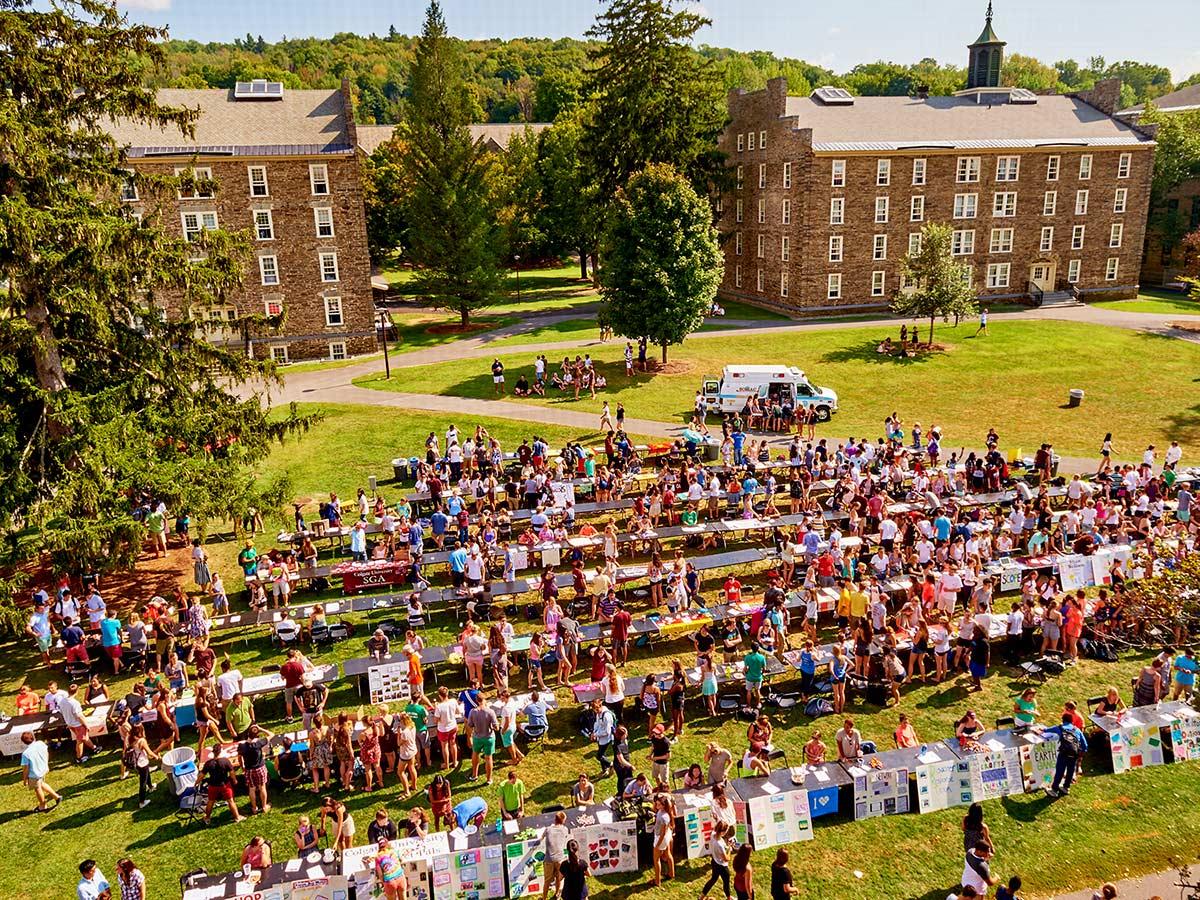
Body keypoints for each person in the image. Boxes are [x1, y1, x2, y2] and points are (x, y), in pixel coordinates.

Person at [1044, 712, 1088, 798]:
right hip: (1074, 754)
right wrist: (1080, 756)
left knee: (1060, 771)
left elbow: (1046, 730)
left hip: (1064, 753)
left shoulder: (1060, 728)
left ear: (1063, 720)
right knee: (1070, 771)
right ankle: (1066, 787)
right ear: (1072, 721)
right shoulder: (1077, 730)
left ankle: (1054, 790)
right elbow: (1085, 745)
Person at [238, 724, 275, 814]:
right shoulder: (258, 744)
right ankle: (264, 806)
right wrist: (261, 728)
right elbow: (272, 734)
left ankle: (254, 808)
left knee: (251, 789)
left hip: (249, 769)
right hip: (259, 768)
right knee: (262, 787)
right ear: (257, 735)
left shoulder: (242, 746)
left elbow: (239, 757)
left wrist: (242, 767)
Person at [21, 731, 61, 812]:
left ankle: (42, 806)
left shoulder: (26, 754)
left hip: (34, 774)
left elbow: (26, 768)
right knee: (42, 783)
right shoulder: (41, 743)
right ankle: (56, 797)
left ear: (23, 742)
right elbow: (46, 753)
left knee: (38, 788)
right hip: (43, 769)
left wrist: (25, 779)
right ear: (33, 737)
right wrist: (47, 764)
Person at [202, 751, 243, 824]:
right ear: (220, 752)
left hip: (213, 785)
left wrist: (196, 783)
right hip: (225, 785)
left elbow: (201, 775)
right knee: (230, 801)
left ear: (213, 752)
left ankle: (207, 818)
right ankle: (237, 817)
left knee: (210, 801)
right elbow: (232, 772)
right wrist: (234, 780)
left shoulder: (208, 763)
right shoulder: (225, 761)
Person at [124, 723, 158, 808]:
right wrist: (156, 756)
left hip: (136, 762)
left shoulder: (129, 738)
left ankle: (150, 787)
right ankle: (142, 802)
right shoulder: (141, 741)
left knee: (146, 775)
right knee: (143, 782)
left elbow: (125, 748)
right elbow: (149, 752)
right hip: (142, 762)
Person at [468, 699, 499, 785]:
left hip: (477, 737)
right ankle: (489, 779)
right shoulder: (490, 711)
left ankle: (474, 775)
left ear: (477, 700)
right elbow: (496, 727)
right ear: (484, 700)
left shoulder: (472, 711)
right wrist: (493, 727)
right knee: (488, 758)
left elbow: (470, 725)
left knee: (475, 754)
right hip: (488, 737)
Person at [699, 820, 732, 900]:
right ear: (723, 832)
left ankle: (701, 897)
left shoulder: (713, 835)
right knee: (726, 882)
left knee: (713, 879)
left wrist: (727, 846)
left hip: (714, 862)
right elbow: (726, 859)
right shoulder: (719, 844)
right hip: (722, 866)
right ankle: (729, 897)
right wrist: (730, 850)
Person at [544, 810, 571, 900]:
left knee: (547, 881)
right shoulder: (565, 829)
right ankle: (557, 895)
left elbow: (542, 837)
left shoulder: (548, 829)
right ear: (563, 821)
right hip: (560, 859)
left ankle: (544, 898)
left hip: (549, 859)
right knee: (558, 878)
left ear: (554, 820)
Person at [373, 836, 409, 900]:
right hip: (400, 877)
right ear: (387, 844)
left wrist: (384, 883)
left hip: (389, 880)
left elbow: (380, 874)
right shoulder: (394, 851)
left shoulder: (377, 857)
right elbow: (401, 860)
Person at [652, 793, 675, 885]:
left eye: (658, 804)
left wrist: (657, 845)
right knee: (668, 854)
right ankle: (671, 873)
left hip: (661, 838)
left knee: (656, 859)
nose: (656, 805)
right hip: (666, 837)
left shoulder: (663, 816)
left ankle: (657, 881)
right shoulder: (665, 813)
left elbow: (662, 833)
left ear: (663, 805)